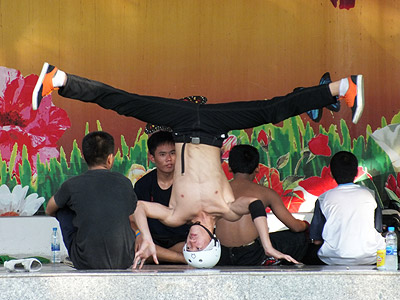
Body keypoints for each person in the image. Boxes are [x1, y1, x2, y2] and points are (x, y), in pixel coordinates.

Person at [33, 62, 364, 268]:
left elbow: (138, 208)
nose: (191, 244)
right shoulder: (227, 209)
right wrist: (267, 246)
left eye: (189, 249)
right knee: (271, 110)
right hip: (215, 126)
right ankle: (340, 87)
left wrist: (147, 239)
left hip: (179, 124)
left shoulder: (177, 214)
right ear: (212, 242)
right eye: (198, 248)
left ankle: (60, 79)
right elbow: (258, 205)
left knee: (125, 102)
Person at [45, 131, 137, 269]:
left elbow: (49, 209)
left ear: (84, 157)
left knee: (62, 208)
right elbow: (132, 213)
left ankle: (76, 253)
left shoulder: (72, 184)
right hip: (125, 260)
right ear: (110, 158)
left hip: (86, 261)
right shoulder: (125, 182)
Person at [215, 145, 309, 266]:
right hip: (252, 255)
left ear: (229, 168)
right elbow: (295, 227)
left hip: (222, 254)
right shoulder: (267, 193)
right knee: (299, 237)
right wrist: (305, 225)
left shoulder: (217, 192)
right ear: (257, 168)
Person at [302, 151, 385, 265]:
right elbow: (378, 230)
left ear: (331, 174)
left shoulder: (323, 198)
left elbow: (316, 240)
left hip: (332, 259)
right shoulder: (371, 195)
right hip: (371, 257)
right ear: (356, 172)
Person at [132, 130, 189, 264]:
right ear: (152, 157)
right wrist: (139, 235)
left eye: (173, 153)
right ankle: (182, 259)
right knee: (136, 245)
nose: (169, 159)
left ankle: (164, 256)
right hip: (152, 240)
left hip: (181, 240)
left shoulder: (187, 182)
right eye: (162, 154)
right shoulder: (143, 184)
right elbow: (131, 219)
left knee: (196, 248)